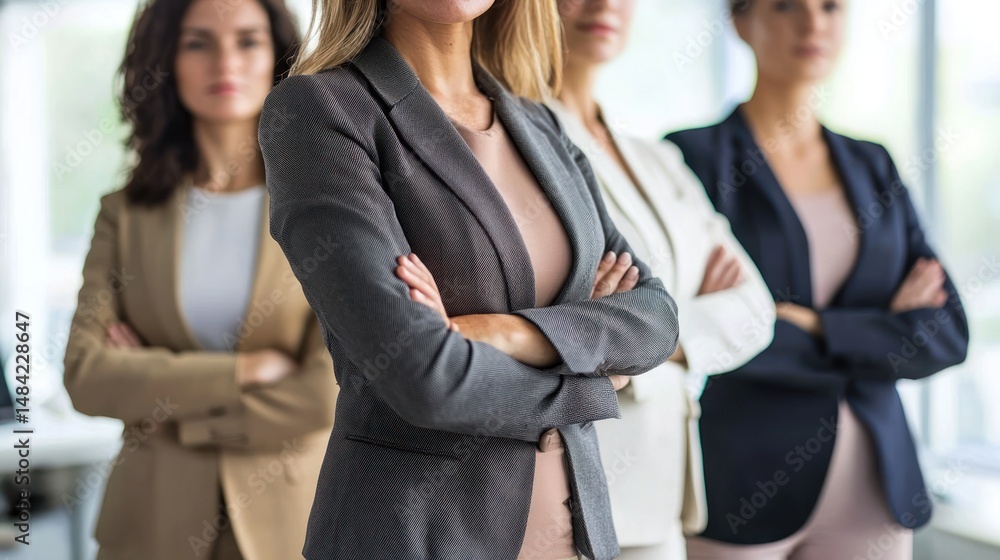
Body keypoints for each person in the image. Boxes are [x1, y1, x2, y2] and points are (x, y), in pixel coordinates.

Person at [257, 0, 680, 558]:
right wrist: (597, 379)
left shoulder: (539, 122)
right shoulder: (318, 110)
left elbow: (656, 317)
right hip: (417, 536)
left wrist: (500, 332)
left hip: (575, 538)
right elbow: (425, 378)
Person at [665, 1, 970, 558]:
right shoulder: (692, 158)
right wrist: (881, 329)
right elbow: (702, 332)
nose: (813, 24)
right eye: (786, 6)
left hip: (875, 493)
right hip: (743, 487)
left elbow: (946, 333)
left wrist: (813, 326)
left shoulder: (872, 163)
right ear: (740, 22)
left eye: (830, 6)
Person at [61, 1, 337, 558]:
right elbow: (87, 374)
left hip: (292, 523)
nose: (225, 62)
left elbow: (326, 394)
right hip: (148, 526)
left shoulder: (327, 204)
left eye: (248, 41)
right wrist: (247, 370)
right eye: (197, 42)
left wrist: (166, 411)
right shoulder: (124, 213)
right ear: (166, 61)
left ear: (279, 59)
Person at [547, 1, 776, 558]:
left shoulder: (658, 159)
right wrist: (687, 313)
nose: (604, 6)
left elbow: (755, 310)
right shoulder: (516, 142)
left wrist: (636, 329)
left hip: (664, 497)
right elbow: (556, 315)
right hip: (576, 486)